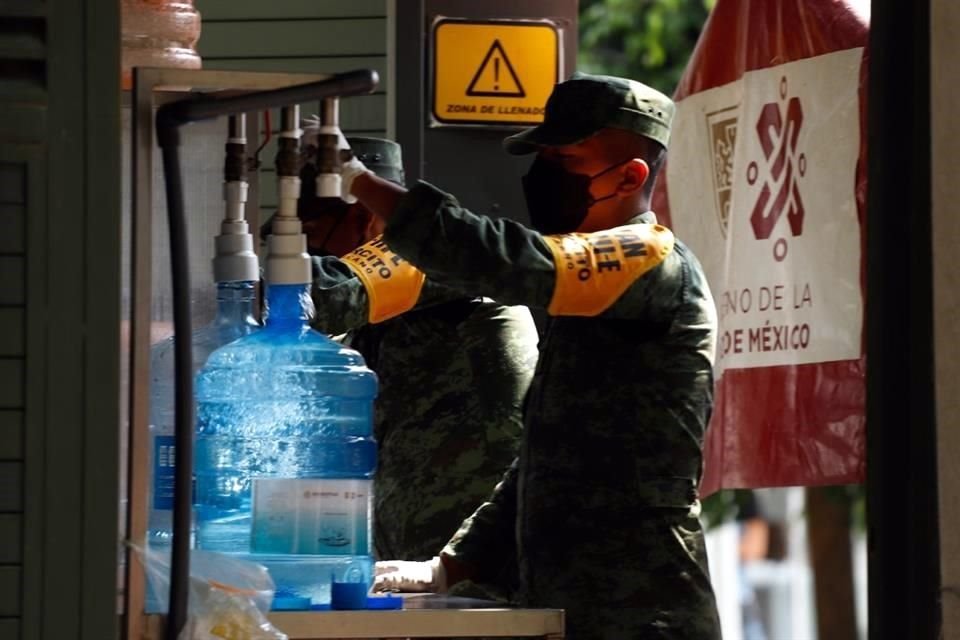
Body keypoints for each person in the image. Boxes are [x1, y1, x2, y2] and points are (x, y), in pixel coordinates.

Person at [338, 72, 723, 638]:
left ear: (630, 176)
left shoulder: (652, 261)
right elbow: (546, 462)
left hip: (644, 608)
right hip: (566, 602)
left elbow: (511, 260)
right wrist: (448, 568)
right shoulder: (587, 294)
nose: (543, 174)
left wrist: (358, 181)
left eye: (565, 159)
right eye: (542, 155)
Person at [297, 131, 540, 580]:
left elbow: (321, 295)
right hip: (419, 561)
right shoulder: (380, 319)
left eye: (315, 231)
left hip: (482, 562)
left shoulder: (430, 262)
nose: (311, 248)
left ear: (369, 218)